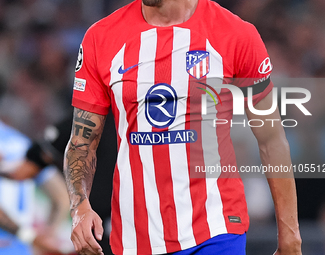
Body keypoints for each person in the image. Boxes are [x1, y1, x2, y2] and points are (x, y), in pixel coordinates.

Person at [64, 0, 302, 254]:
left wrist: (290, 236)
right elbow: (81, 143)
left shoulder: (235, 34)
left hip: (217, 227)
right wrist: (79, 207)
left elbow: (271, 139)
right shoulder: (101, 38)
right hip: (136, 238)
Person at [0, 119, 71, 255]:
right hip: (22, 248)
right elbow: (61, 197)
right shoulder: (21, 142)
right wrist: (46, 237)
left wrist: (34, 238)